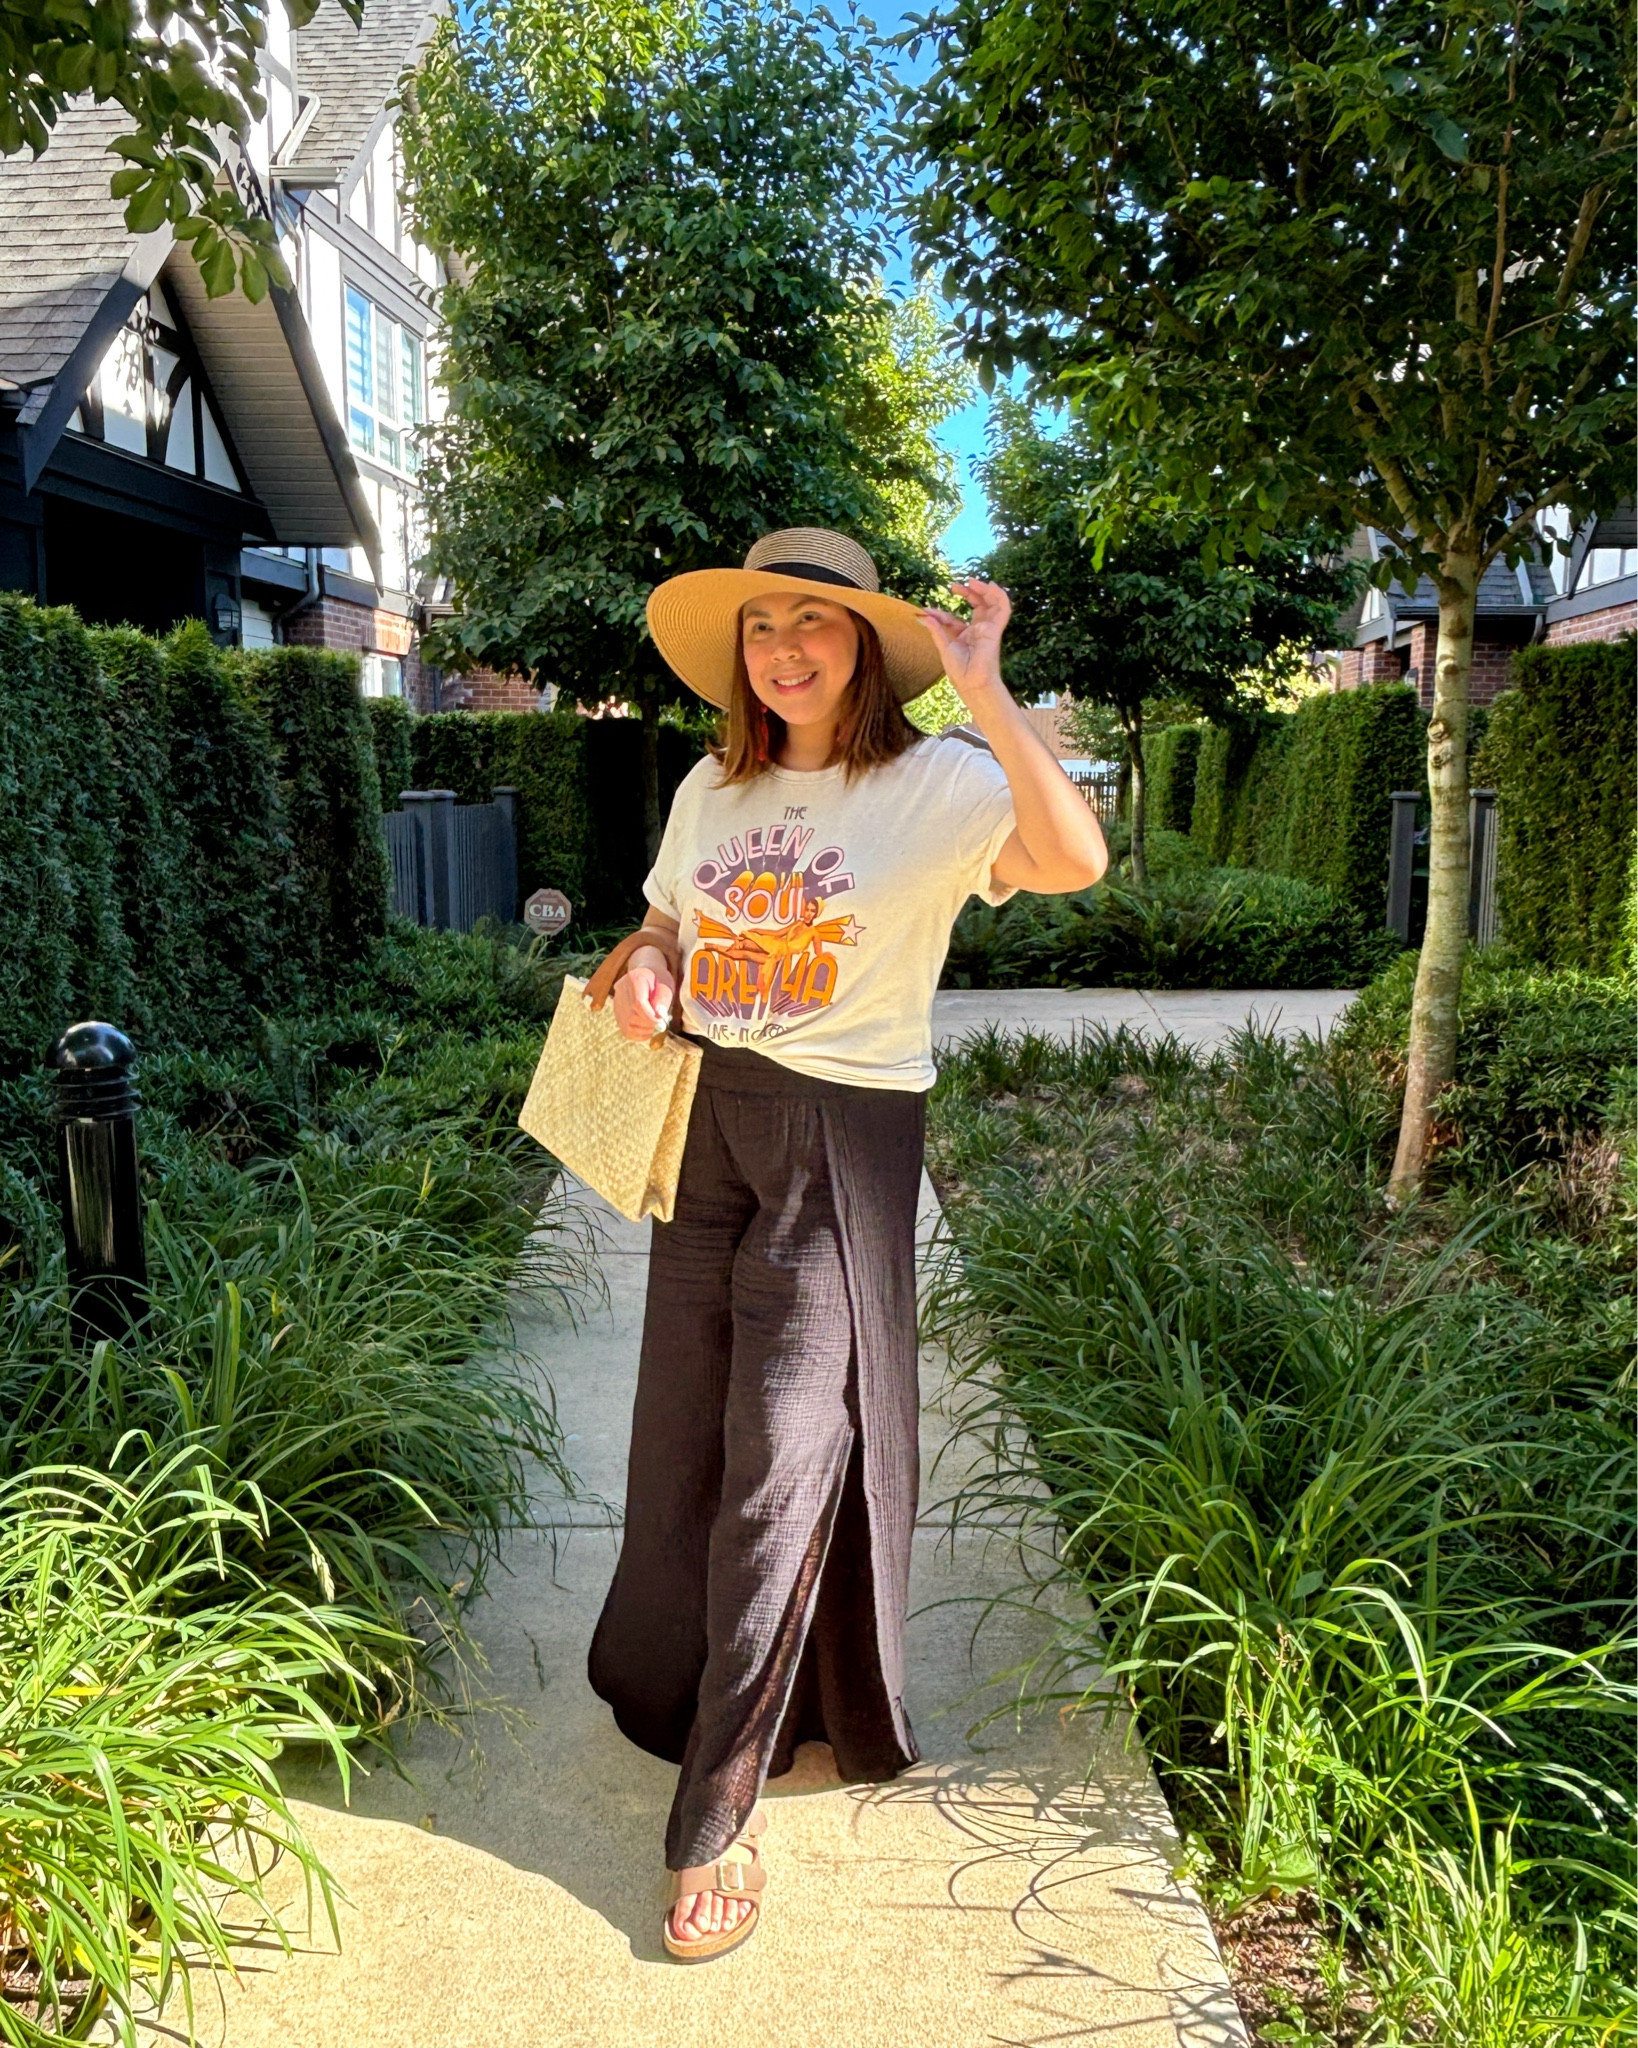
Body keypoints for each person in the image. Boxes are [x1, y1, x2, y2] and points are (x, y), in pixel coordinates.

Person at [586, 527, 1107, 1962]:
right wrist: (644, 970)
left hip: (841, 1137)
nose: (783, 651)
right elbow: (663, 923)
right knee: (686, 1441)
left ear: (867, 646)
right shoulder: (713, 784)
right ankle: (748, 1700)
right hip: (708, 1125)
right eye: (762, 627)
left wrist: (984, 688)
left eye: (813, 623)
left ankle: (715, 1816)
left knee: (785, 1463)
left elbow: (1072, 859)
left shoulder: (938, 782)